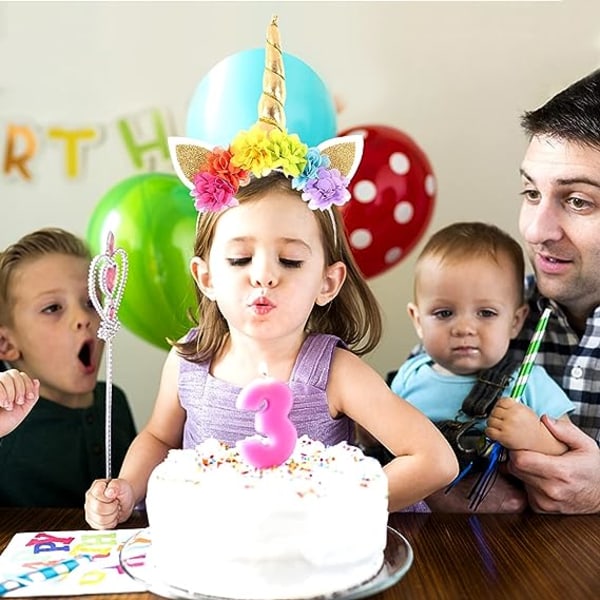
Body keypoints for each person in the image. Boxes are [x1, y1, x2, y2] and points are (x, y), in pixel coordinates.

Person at [390, 222, 574, 504]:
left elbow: (569, 454)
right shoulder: (408, 377)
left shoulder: (529, 382)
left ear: (515, 322)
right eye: (444, 313)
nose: (464, 328)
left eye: (486, 313)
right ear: (417, 320)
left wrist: (535, 437)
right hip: (423, 528)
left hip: (503, 534)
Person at [0, 227, 137, 507]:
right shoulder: (4, 425)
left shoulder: (115, 403)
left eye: (90, 302)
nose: (83, 318)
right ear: (5, 344)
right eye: (52, 308)